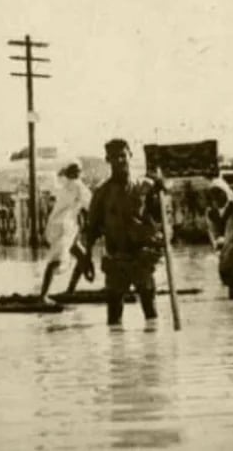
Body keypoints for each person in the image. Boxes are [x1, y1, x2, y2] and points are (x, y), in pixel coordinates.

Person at [83, 139, 165, 327]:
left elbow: (160, 221)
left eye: (123, 156)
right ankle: (116, 354)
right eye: (114, 157)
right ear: (108, 159)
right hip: (116, 258)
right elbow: (92, 229)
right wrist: (87, 257)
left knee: (150, 313)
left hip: (142, 257)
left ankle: (152, 350)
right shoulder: (102, 193)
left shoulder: (144, 187)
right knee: (114, 318)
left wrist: (160, 192)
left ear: (130, 156)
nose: (120, 160)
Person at [38, 160, 93, 301]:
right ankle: (43, 296)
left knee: (81, 256)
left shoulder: (64, 184)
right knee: (58, 260)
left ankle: (70, 291)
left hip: (57, 225)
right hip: (65, 226)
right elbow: (91, 205)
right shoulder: (79, 186)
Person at [205, 177, 233, 250]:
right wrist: (216, 242)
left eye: (219, 192)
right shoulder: (211, 213)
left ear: (226, 193)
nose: (216, 196)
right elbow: (212, 231)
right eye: (213, 193)